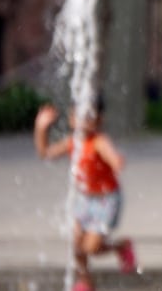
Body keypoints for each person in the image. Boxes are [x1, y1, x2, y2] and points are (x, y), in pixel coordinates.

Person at [33, 100, 137, 291]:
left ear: (99, 120)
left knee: (91, 248)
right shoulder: (73, 142)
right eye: (77, 115)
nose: (82, 121)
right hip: (84, 199)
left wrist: (116, 161)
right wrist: (41, 129)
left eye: (88, 116)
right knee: (76, 244)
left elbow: (111, 155)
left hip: (106, 200)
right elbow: (45, 153)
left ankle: (121, 246)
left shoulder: (99, 141)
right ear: (71, 118)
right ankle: (85, 282)